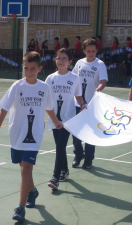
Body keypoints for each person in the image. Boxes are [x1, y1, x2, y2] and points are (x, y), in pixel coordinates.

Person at [0, 51, 63, 222]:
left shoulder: (44, 88)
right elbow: (3, 109)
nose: (29, 72)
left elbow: (49, 108)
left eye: (32, 69)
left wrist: (57, 122)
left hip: (34, 135)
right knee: (22, 168)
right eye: (26, 68)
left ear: (40, 68)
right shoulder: (17, 86)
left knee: (27, 169)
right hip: (16, 134)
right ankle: (33, 191)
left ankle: (20, 208)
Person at [45, 48, 86, 190]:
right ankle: (65, 170)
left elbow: (78, 96)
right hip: (54, 118)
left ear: (70, 62)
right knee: (59, 146)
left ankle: (55, 178)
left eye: (64, 59)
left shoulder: (74, 78)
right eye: (58, 58)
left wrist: (82, 104)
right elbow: (46, 99)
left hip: (68, 119)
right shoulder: (50, 78)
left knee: (60, 146)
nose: (61, 61)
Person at [71, 38, 108, 169]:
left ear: (97, 51)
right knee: (75, 131)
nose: (91, 53)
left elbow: (103, 81)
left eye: (93, 51)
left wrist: (99, 88)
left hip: (92, 104)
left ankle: (89, 159)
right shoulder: (79, 63)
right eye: (88, 51)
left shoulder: (100, 64)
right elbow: (73, 78)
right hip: (78, 103)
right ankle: (78, 154)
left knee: (91, 132)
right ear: (84, 51)